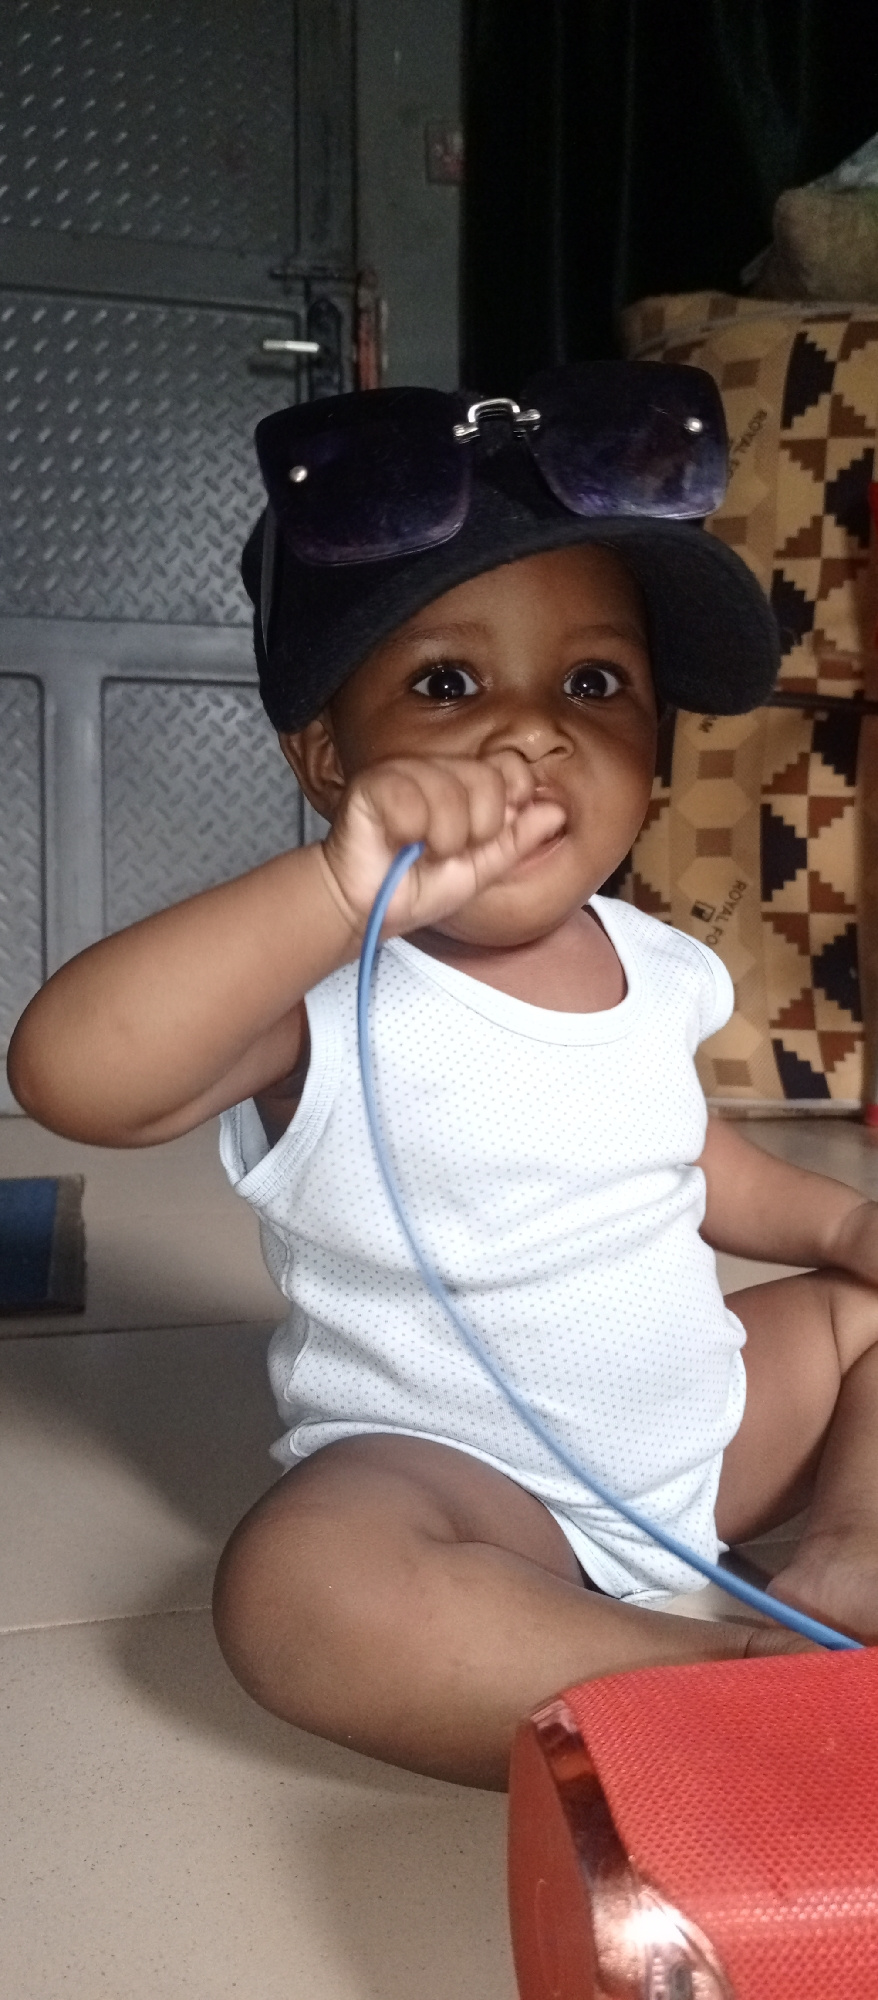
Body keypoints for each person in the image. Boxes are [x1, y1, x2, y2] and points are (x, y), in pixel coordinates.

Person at [9, 367, 878, 1793]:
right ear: (326, 758)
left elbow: (691, 1159)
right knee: (299, 1592)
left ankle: (846, 1553)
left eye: (592, 684)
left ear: (652, 756)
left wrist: (843, 1224)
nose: (531, 731)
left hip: (711, 1435)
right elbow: (71, 1077)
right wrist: (334, 891)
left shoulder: (655, 964)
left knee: (861, 1316)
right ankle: (732, 1689)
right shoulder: (317, 986)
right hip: (466, 1487)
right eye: (447, 684)